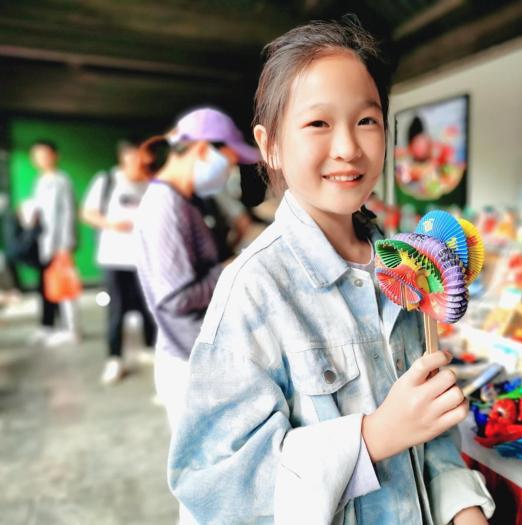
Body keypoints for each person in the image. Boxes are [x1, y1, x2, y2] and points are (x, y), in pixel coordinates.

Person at [168, 17, 494, 525]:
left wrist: (464, 510)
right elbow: (215, 486)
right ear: (271, 144)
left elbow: (431, 433)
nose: (347, 147)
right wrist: (374, 436)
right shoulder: (254, 288)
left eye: (366, 121)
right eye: (318, 124)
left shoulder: (405, 267)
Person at [133, 107, 260, 430]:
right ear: (203, 150)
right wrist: (235, 267)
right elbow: (176, 298)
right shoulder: (165, 206)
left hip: (200, 353)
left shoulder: (186, 201)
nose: (230, 171)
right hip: (186, 361)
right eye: (229, 162)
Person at [81, 139, 157, 384]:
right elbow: (87, 213)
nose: (140, 162)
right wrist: (111, 224)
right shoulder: (107, 180)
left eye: (144, 157)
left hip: (146, 259)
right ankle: (115, 358)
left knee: (149, 307)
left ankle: (150, 348)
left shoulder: (152, 183)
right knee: (117, 311)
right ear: (124, 157)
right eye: (134, 157)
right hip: (114, 258)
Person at [27, 140, 81, 346]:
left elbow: (68, 213)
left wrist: (66, 245)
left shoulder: (61, 180)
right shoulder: (40, 181)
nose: (41, 158)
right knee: (47, 286)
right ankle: (50, 325)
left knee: (65, 286)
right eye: (37, 155)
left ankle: (73, 330)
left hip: (59, 245)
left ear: (54, 156)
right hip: (43, 242)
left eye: (45, 154)